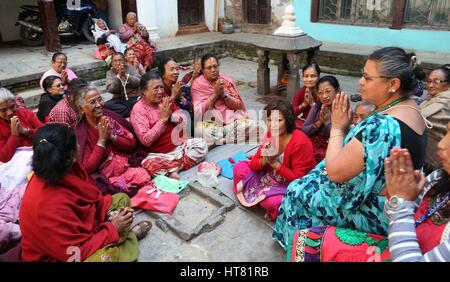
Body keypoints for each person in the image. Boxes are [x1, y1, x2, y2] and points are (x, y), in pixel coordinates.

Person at [273, 47, 428, 251]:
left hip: (378, 211)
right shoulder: (412, 108)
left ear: (393, 84)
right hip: (397, 200)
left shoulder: (380, 126)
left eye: (367, 77)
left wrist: (338, 126)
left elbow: (335, 173)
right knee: (312, 173)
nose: (360, 82)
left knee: (296, 191)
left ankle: (304, 250)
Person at [290, 123, 450, 262]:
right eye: (447, 132)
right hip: (399, 242)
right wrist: (398, 195)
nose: (441, 144)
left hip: (402, 253)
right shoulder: (439, 177)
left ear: (393, 85)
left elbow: (399, 211)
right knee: (308, 238)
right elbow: (396, 212)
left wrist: (337, 128)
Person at [20, 123, 151, 262]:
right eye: (77, 143)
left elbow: (92, 198)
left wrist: (108, 212)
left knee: (121, 199)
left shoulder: (66, 167)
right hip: (65, 255)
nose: (79, 146)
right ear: (71, 154)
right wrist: (113, 228)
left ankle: (120, 240)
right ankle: (128, 239)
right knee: (104, 258)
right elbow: (74, 253)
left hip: (85, 227)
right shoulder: (47, 206)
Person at [233, 99, 316, 220]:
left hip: (291, 184)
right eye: (269, 120)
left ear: (288, 121)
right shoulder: (270, 135)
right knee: (239, 168)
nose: (273, 125)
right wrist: (265, 160)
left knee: (273, 203)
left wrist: (275, 164)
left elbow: (299, 179)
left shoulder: (300, 142)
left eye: (279, 120)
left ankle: (266, 201)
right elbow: (255, 163)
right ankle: (264, 200)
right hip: (270, 175)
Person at [75, 84, 150, 197]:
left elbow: (131, 143)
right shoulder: (80, 133)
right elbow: (87, 168)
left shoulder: (109, 118)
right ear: (81, 108)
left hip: (126, 164)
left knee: (146, 170)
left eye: (100, 99)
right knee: (96, 189)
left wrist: (111, 136)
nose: (99, 105)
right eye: (92, 102)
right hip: (104, 175)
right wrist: (102, 140)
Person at [130, 71, 208, 179]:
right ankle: (180, 164)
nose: (160, 91)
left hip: (181, 147)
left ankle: (176, 169)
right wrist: (163, 120)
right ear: (144, 91)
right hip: (161, 155)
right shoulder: (138, 111)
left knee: (201, 145)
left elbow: (184, 122)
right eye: (155, 88)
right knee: (149, 165)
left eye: (161, 87)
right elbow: (146, 140)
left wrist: (172, 114)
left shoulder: (165, 100)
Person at [0, 88, 42, 260]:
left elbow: (44, 133)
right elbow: (4, 156)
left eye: (12, 107)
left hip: (35, 156)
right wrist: (15, 135)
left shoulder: (25, 114)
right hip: (10, 166)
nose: (10, 113)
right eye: (3, 110)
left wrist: (27, 132)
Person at [191, 54, 257, 146]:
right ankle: (230, 138)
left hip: (232, 122)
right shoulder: (197, 84)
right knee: (200, 130)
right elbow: (198, 113)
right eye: (209, 68)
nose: (213, 70)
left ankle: (222, 141)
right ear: (203, 70)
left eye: (215, 66)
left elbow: (239, 105)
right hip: (213, 125)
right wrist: (215, 94)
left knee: (252, 125)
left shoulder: (226, 80)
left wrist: (224, 95)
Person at [301, 75, 340, 163]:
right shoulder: (317, 107)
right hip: (313, 144)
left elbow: (341, 137)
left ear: (337, 91)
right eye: (320, 93)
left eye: (328, 91)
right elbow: (304, 130)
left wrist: (327, 122)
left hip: (331, 148)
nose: (324, 96)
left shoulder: (342, 111)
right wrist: (319, 122)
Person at [419, 65, 450, 171]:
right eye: (429, 81)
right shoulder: (432, 98)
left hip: (438, 164)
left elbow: (418, 119)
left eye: (436, 81)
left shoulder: (445, 101)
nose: (431, 85)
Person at [105, 52, 141, 118]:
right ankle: (133, 111)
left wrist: (126, 75)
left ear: (124, 61)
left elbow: (139, 81)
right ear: (112, 63)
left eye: (120, 60)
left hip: (133, 97)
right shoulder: (110, 73)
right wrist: (118, 76)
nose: (118, 63)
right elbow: (111, 89)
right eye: (115, 61)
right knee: (107, 105)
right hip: (120, 99)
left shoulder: (130, 68)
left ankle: (130, 110)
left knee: (139, 102)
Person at [292, 63, 320, 128]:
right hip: (305, 122)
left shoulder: (322, 92)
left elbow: (324, 116)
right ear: (303, 78)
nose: (309, 80)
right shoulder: (301, 92)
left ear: (318, 77)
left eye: (313, 76)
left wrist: (312, 103)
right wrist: (304, 104)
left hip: (319, 124)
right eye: (306, 76)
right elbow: (292, 113)